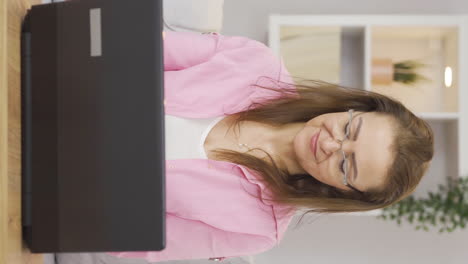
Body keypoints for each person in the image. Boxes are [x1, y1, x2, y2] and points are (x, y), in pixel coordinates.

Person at [108, 31, 434, 263]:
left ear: (343, 191)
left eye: (346, 165)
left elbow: (138, 243)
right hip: (72, 86)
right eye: (350, 127)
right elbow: (138, 44)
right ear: (355, 106)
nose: (331, 144)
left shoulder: (259, 230)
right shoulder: (257, 65)